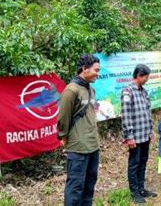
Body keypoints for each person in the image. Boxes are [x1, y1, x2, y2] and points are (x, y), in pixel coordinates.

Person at [57, 54, 100, 206]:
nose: (98, 73)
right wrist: (64, 137)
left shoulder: (91, 89)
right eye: (96, 70)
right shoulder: (71, 90)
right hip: (78, 148)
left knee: (89, 185)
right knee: (75, 188)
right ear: (84, 69)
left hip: (93, 145)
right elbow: (63, 117)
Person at [121, 64, 157, 204]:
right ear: (138, 76)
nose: (147, 79)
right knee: (134, 163)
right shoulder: (127, 91)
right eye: (146, 77)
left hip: (145, 135)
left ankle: (141, 189)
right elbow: (126, 115)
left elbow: (148, 112)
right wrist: (129, 136)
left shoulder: (144, 91)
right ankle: (134, 192)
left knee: (143, 162)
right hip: (134, 137)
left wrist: (150, 130)